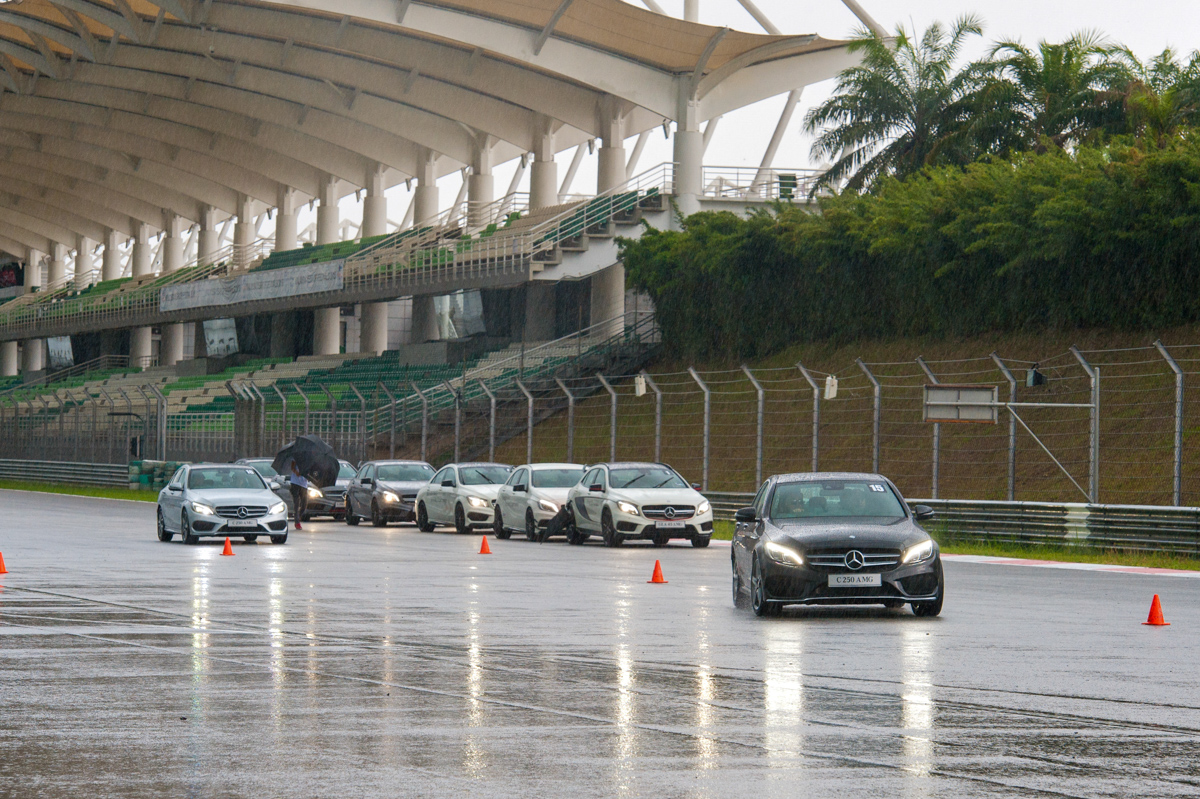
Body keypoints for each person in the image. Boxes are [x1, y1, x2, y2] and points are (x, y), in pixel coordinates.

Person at [289, 462, 309, 530]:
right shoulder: (296, 458)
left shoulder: (310, 461)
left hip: (304, 484)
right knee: (296, 503)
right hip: (295, 483)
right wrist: (296, 471)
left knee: (304, 504)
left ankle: (298, 516)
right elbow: (292, 467)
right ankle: (297, 522)